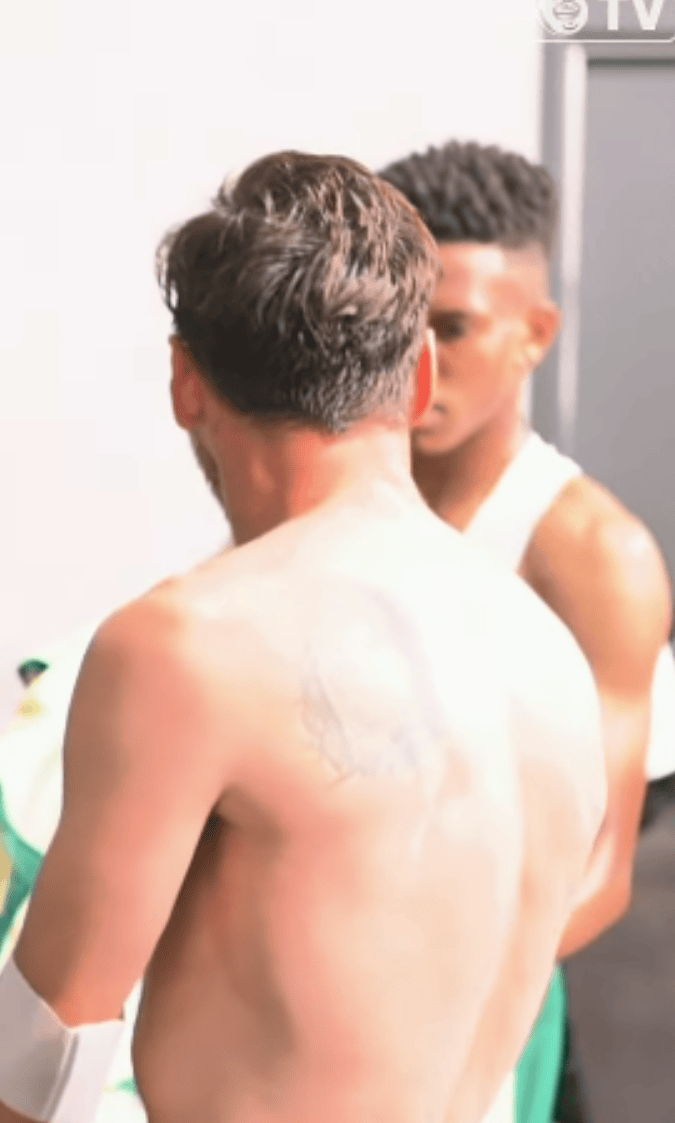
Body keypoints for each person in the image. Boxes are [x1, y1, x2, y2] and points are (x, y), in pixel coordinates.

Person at [0, 151, 608, 1123]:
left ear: (184, 382)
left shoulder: (189, 645)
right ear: (417, 376)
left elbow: (52, 1027)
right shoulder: (548, 652)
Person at [379, 141, 675, 1123]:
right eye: (398, 324)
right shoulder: (332, 507)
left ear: (534, 334)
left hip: (473, 1011)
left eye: (452, 326)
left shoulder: (594, 552)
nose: (419, 359)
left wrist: (398, 985)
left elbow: (602, 870)